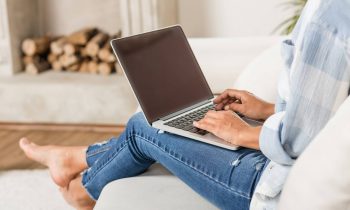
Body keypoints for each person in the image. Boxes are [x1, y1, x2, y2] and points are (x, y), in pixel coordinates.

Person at [19, 0, 350, 209]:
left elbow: (296, 142)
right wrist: (266, 111)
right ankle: (73, 157)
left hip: (270, 182)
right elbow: (328, 119)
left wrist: (243, 134)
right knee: (170, 120)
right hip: (278, 161)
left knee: (146, 126)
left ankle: (82, 192)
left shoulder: (332, 15)